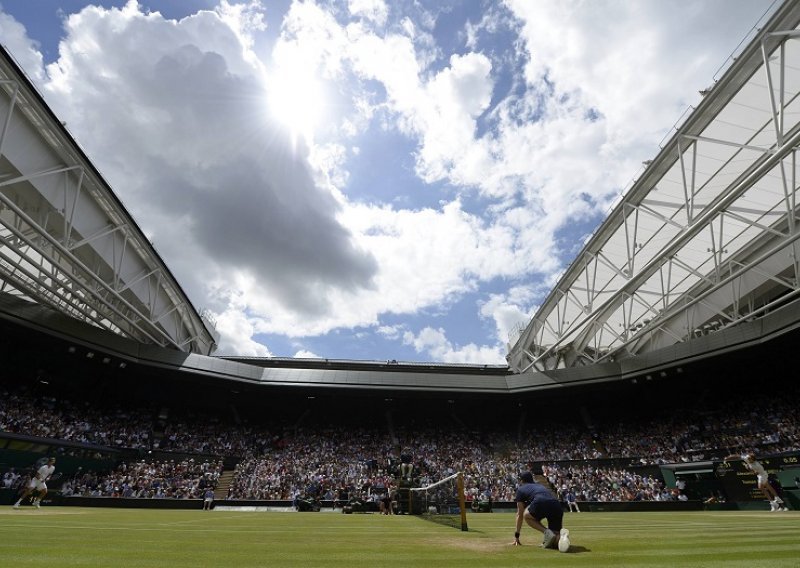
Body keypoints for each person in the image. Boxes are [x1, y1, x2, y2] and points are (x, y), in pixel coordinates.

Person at [513, 471, 569, 552]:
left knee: (526, 515)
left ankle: (547, 532)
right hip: (556, 504)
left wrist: (517, 536)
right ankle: (562, 538)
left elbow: (519, 514)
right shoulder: (540, 486)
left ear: (521, 480)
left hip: (540, 502)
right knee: (555, 542)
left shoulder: (520, 489)